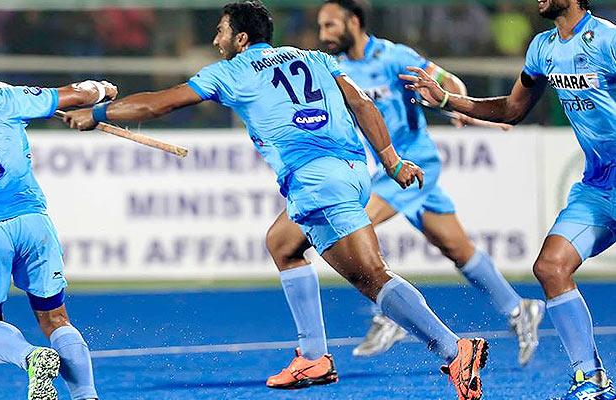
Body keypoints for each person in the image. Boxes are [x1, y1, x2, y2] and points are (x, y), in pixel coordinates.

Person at [63, 2, 489, 399]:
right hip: (352, 172)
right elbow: (362, 105)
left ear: (242, 39)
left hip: (317, 180)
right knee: (283, 243)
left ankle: (454, 351)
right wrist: (392, 163)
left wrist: (97, 113)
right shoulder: (315, 58)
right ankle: (313, 357)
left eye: (221, 32)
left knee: (370, 276)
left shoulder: (230, 72)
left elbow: (158, 105)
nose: (216, 41)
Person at [263, 0, 541, 365]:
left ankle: (388, 311)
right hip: (384, 171)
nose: (323, 35)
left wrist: (457, 105)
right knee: (457, 248)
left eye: (330, 26)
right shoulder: (335, 70)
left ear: (354, 22)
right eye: (321, 27)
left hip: (415, 166)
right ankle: (519, 309)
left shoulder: (393, 57)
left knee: (355, 221)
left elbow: (445, 81)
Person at [401, 0, 616, 398]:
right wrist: (448, 101)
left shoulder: (607, 40)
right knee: (551, 268)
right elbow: (512, 109)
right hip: (599, 186)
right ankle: (592, 380)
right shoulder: (543, 48)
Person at [0, 42, 117, 400]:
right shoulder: (7, 99)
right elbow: (77, 95)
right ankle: (86, 396)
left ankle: (31, 357)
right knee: (55, 318)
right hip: (30, 223)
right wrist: (103, 89)